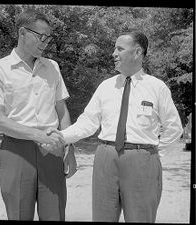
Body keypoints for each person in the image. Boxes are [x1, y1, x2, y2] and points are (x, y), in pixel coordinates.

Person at [60, 31, 183, 222]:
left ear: (137, 52)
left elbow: (174, 128)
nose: (113, 54)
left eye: (119, 49)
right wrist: (61, 137)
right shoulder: (106, 86)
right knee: (102, 217)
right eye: (114, 49)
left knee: (140, 218)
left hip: (142, 161)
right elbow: (88, 122)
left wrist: (153, 156)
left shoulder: (157, 87)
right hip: (105, 158)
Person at [0, 8, 77, 221]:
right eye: (41, 36)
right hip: (15, 152)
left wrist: (69, 147)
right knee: (19, 214)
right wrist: (37, 135)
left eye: (49, 38)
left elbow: (62, 111)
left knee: (55, 215)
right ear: (22, 33)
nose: (46, 42)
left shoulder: (53, 67)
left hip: (52, 151)